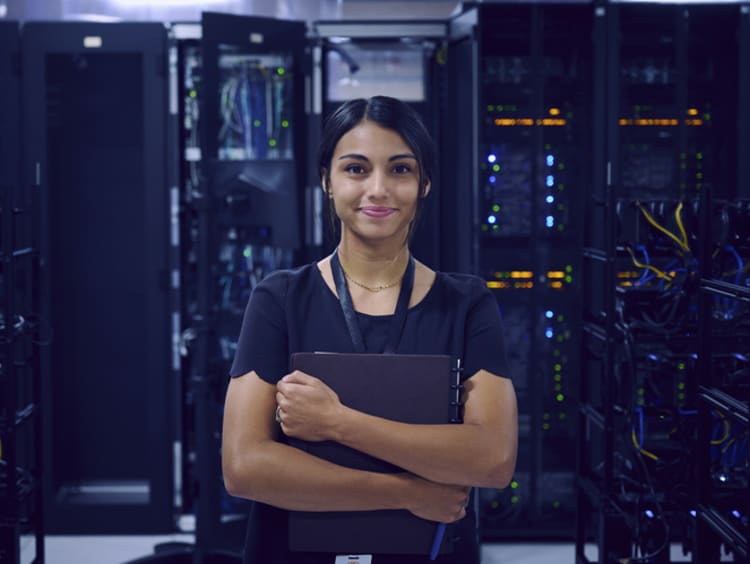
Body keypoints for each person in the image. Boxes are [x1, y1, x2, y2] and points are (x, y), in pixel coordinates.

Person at [221, 95, 518, 564]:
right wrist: (406, 492)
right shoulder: (279, 299)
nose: (377, 189)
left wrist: (336, 422)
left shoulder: (467, 305)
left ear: (424, 183)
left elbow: (493, 459)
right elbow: (244, 468)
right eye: (356, 169)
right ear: (327, 181)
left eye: (400, 169)